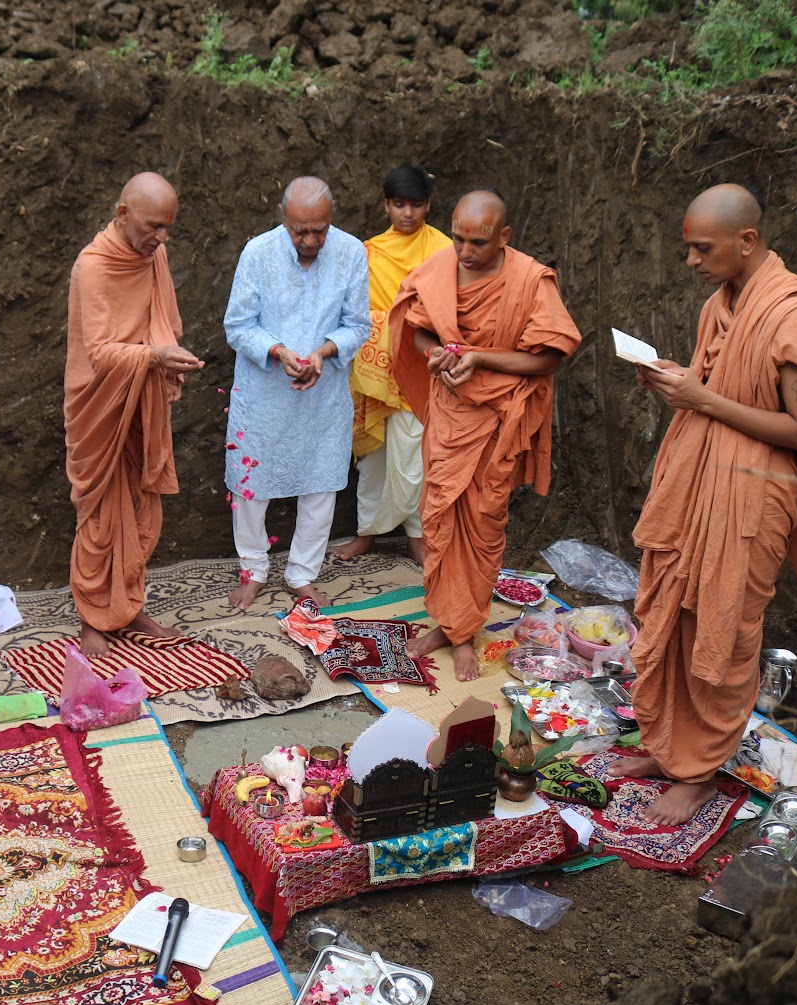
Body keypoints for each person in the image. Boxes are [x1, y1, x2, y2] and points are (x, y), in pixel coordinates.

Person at [610, 184, 797, 825]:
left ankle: (700, 771)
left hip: (753, 497)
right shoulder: (722, 304)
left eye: (700, 248)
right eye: (687, 249)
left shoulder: (795, 316)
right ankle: (668, 749)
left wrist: (703, 399)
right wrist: (678, 387)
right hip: (697, 479)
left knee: (723, 626)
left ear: (747, 241)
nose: (689, 261)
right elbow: (717, 390)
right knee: (675, 612)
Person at [389, 189, 581, 681]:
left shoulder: (530, 281)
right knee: (439, 518)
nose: (466, 251)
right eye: (458, 238)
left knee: (482, 523)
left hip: (497, 420)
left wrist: (478, 356)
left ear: (505, 236)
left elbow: (550, 357)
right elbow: (418, 328)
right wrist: (438, 354)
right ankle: (446, 623)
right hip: (450, 412)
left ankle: (465, 631)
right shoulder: (437, 269)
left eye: (478, 241)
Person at [64, 172, 205, 657]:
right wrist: (156, 357)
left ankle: (129, 607)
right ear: (123, 214)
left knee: (143, 510)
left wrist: (167, 358)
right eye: (152, 227)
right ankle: (93, 619)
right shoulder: (93, 267)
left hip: (141, 401)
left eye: (167, 227)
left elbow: (162, 320)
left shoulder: (155, 256)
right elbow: (101, 353)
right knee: (101, 517)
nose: (161, 238)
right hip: (98, 405)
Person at [224, 176, 370, 611]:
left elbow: (358, 325)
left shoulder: (351, 253)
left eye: (319, 230)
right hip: (264, 391)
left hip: (323, 393)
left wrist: (324, 352)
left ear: (332, 217)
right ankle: (253, 570)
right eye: (299, 230)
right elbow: (238, 326)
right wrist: (278, 351)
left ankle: (302, 574)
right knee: (251, 484)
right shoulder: (258, 253)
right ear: (282, 219)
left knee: (321, 484)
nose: (310, 240)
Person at [333, 166, 452, 566]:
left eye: (416, 205)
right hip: (373, 371)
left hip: (420, 366)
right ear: (385, 204)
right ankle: (367, 532)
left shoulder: (444, 250)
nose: (407, 213)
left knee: (415, 455)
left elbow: (447, 310)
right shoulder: (367, 252)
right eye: (399, 204)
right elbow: (351, 311)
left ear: (428, 206)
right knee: (373, 456)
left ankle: (416, 537)